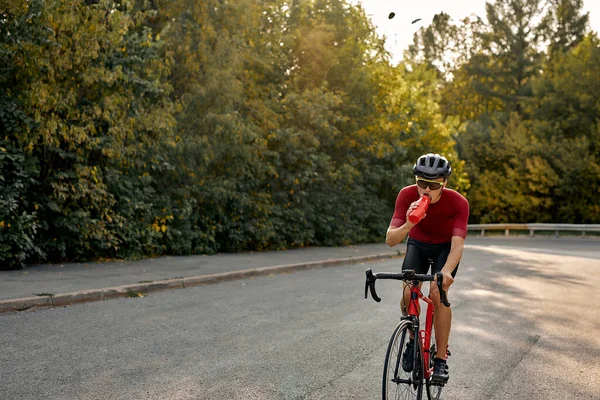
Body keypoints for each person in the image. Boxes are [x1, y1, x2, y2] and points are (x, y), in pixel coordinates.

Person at [385, 153, 469, 384]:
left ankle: (440, 360)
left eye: (433, 185)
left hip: (444, 248)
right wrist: (409, 223)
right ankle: (412, 338)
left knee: (437, 293)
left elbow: (457, 246)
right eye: (421, 182)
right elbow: (391, 240)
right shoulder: (406, 195)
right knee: (407, 292)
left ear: (444, 184)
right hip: (418, 243)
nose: (426, 190)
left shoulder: (458, 202)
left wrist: (447, 272)